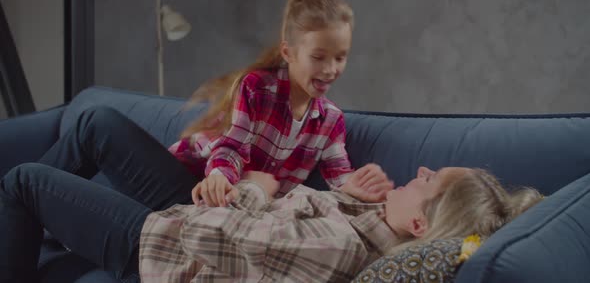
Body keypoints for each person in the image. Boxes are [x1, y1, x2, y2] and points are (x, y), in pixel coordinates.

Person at [26, 0, 392, 215]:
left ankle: (28, 201)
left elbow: (339, 180)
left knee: (96, 126)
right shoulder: (258, 89)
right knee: (96, 125)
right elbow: (232, 145)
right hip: (191, 182)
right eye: (320, 57)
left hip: (214, 208)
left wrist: (357, 189)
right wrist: (221, 175)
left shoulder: (330, 121)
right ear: (289, 52)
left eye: (340, 57)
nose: (331, 69)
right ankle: (21, 202)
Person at [0, 163, 542, 282]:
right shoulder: (366, 222)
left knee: (24, 180)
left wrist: (256, 189)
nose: (418, 170)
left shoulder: (339, 247)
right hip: (178, 228)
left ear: (422, 226)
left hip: (158, 247)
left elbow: (207, 229)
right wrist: (338, 194)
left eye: (428, 181)